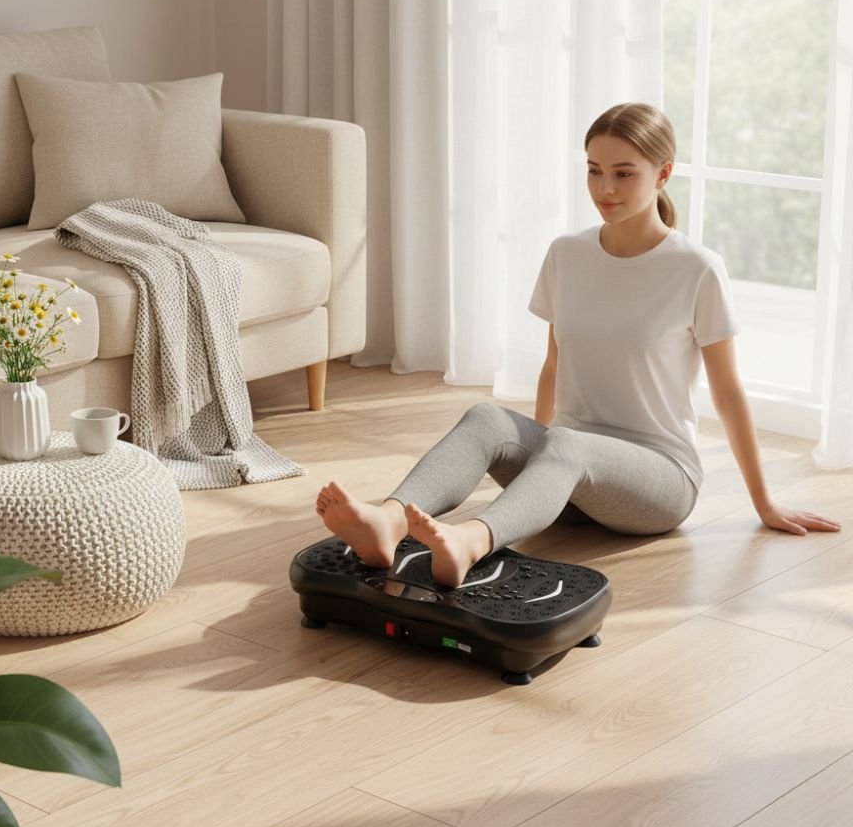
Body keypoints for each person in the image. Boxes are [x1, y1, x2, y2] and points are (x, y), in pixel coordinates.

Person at [316, 102, 842, 587]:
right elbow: (553, 365)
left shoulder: (696, 269)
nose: (604, 188)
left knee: (566, 443)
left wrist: (763, 502)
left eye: (623, 173)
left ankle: (471, 540)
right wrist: (535, 471)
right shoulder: (566, 255)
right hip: (570, 478)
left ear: (662, 174)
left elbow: (727, 395)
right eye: (594, 170)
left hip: (658, 482)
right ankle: (386, 521)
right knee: (487, 417)